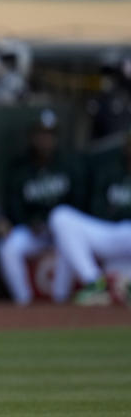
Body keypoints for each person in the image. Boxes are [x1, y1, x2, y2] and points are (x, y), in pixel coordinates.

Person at [0, 110, 82, 305]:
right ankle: (24, 303)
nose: (46, 139)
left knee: (68, 233)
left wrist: (56, 226)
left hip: (62, 231)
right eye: (41, 134)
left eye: (50, 134)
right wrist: (29, 223)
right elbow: (13, 205)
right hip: (31, 230)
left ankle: (60, 300)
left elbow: (79, 202)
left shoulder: (69, 164)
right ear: (32, 137)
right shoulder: (19, 168)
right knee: (8, 247)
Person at [46, 127, 131, 305]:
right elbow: (98, 208)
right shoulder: (110, 169)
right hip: (108, 232)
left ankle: (62, 296)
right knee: (60, 217)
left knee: (123, 287)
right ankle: (95, 281)